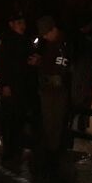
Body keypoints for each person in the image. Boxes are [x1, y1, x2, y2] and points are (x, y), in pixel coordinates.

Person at [0, 11, 40, 164]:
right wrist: (4, 85)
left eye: (23, 23)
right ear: (12, 24)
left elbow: (31, 58)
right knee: (10, 119)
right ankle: (9, 150)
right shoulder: (6, 40)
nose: (23, 26)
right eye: (19, 23)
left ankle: (20, 148)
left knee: (22, 118)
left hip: (26, 85)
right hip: (12, 85)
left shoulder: (26, 39)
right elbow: (1, 65)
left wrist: (36, 61)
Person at [35, 15, 73, 168]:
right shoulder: (51, 44)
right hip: (49, 88)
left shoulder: (63, 44)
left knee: (53, 122)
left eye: (46, 33)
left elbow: (60, 67)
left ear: (53, 29)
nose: (44, 37)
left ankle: (53, 155)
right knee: (49, 122)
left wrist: (41, 63)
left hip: (56, 89)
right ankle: (52, 152)